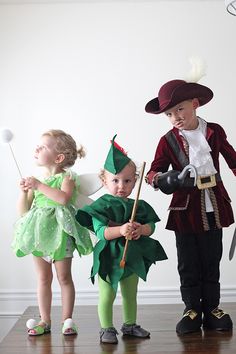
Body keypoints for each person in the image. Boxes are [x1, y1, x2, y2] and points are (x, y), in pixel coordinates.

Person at [145, 78, 236, 335]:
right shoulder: (167, 140)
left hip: (214, 203)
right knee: (187, 261)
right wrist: (166, 179)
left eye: (180, 109)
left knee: (211, 258)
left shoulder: (214, 131)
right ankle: (191, 309)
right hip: (185, 209)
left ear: (195, 104)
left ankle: (212, 309)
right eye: (169, 113)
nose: (175, 117)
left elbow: (232, 159)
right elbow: (152, 173)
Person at [76, 135, 167, 344]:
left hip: (131, 256)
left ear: (135, 181)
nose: (121, 186)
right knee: (107, 294)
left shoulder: (139, 205)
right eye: (115, 180)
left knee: (130, 293)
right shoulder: (101, 206)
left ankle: (130, 324)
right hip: (109, 256)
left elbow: (151, 227)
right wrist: (121, 230)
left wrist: (140, 229)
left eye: (127, 181)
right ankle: (106, 328)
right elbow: (101, 233)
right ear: (104, 181)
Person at [12, 129, 93, 336]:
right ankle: (44, 320)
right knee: (43, 279)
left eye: (43, 146)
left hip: (60, 233)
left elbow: (63, 199)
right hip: (39, 235)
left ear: (58, 157)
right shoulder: (35, 181)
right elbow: (23, 211)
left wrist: (38, 186)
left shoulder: (67, 177)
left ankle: (67, 319)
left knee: (64, 277)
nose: (37, 148)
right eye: (38, 145)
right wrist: (24, 192)